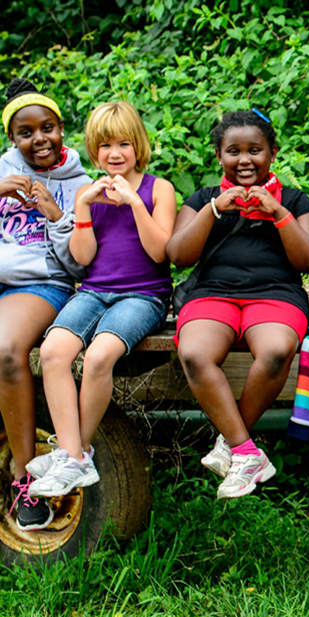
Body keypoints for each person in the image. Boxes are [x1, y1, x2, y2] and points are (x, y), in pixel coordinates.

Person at [165, 109, 309, 499]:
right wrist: (215, 209)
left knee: (275, 351)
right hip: (212, 294)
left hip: (275, 295)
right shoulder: (204, 198)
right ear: (219, 156)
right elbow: (177, 254)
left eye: (255, 150)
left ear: (272, 153)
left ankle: (232, 446)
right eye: (233, 151)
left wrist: (279, 213)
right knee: (195, 354)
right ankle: (246, 450)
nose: (245, 160)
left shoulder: (296, 200)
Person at [31, 102, 176, 498]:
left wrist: (133, 203)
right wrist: (81, 207)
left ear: (138, 146)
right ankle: (74, 455)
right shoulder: (87, 192)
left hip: (144, 296)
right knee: (53, 353)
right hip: (93, 291)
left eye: (124, 144)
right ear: (94, 151)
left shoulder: (157, 188)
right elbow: (82, 257)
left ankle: (71, 453)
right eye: (105, 145)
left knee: (98, 357)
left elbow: (161, 252)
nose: (115, 154)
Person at [0, 78, 91, 531]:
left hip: (40, 286)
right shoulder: (1, 174)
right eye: (26, 132)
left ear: (61, 129)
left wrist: (56, 217)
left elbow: (78, 267)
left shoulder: (82, 185)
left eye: (48, 128)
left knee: (6, 350)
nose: (39, 139)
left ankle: (22, 477)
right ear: (12, 139)